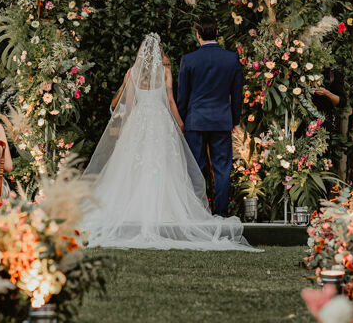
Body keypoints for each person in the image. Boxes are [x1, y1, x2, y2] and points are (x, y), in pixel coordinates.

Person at [82, 33, 256, 250]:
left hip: (139, 120)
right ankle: (164, 209)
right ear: (159, 53)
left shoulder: (132, 73)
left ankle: (133, 207)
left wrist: (127, 131)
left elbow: (128, 104)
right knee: (162, 165)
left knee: (134, 166)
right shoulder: (165, 73)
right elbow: (172, 102)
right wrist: (180, 125)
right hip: (160, 121)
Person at [177, 16, 245, 218]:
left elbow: (183, 96)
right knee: (222, 169)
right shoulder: (231, 59)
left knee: (194, 169)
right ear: (217, 34)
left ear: (198, 35)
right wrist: (234, 120)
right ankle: (221, 214)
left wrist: (181, 120)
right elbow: (237, 95)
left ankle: (196, 213)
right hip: (221, 120)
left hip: (195, 121)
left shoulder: (189, 60)